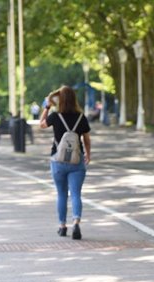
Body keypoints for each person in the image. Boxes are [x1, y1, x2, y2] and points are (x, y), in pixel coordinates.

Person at [39, 86, 91, 240]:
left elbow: (41, 124)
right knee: (76, 194)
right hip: (77, 161)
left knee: (62, 194)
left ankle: (62, 226)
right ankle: (76, 222)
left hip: (58, 160)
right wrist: (88, 154)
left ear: (59, 100)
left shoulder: (55, 116)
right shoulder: (81, 117)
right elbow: (86, 139)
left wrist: (47, 107)